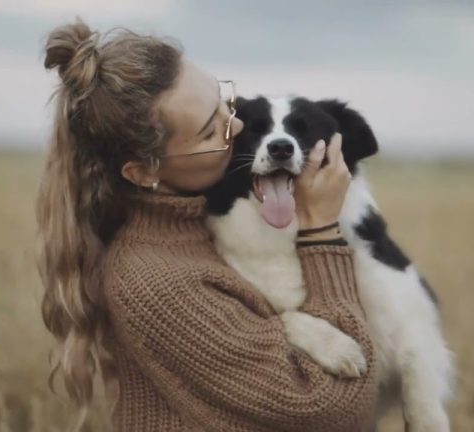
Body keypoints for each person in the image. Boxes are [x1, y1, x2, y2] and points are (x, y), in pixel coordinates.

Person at [35, 19, 377, 432]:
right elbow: (336, 409)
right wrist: (321, 231)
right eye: (208, 130)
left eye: (224, 103)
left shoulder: (210, 228)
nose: (235, 127)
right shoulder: (157, 282)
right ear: (144, 172)